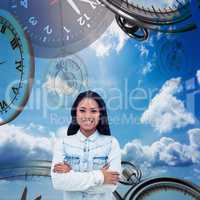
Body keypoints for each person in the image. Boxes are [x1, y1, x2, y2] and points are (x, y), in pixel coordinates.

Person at [51, 90, 121, 200]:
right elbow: (58, 182)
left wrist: (72, 177)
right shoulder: (62, 143)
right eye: (82, 110)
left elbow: (111, 186)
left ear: (100, 114)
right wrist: (101, 176)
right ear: (75, 113)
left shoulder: (111, 143)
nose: (87, 116)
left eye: (93, 111)